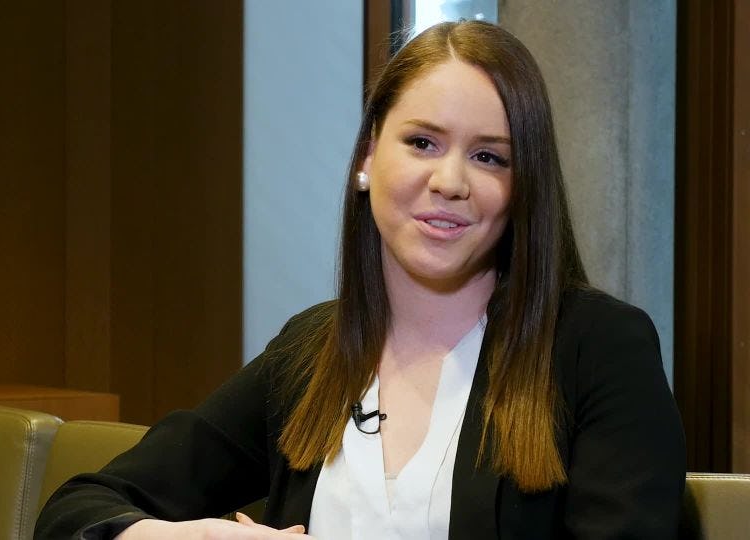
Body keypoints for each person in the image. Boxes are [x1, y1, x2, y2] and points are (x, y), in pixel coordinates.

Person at [35, 20, 685, 539]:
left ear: (523, 189)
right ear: (369, 156)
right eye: (422, 142)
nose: (450, 181)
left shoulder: (599, 348)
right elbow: (78, 509)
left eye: (489, 157)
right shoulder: (309, 353)